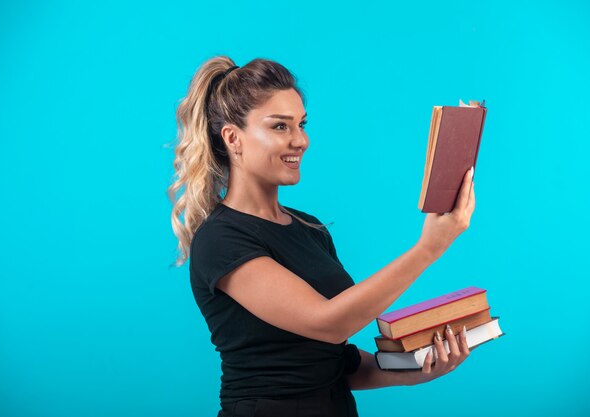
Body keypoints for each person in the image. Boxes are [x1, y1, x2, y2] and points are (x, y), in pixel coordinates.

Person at [167, 55, 476, 417]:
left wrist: (418, 367)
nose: (301, 140)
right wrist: (429, 247)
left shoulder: (310, 229)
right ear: (233, 138)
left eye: (301, 124)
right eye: (280, 127)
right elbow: (329, 323)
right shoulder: (220, 239)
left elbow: (336, 361)